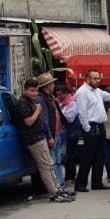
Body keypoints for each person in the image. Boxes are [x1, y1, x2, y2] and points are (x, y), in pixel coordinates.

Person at [16, 79, 72, 203]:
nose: (34, 93)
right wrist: (37, 111)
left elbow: (42, 121)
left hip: (40, 137)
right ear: (25, 90)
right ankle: (53, 193)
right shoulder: (22, 103)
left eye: (36, 90)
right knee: (46, 166)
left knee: (49, 165)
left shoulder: (33, 101)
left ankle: (57, 190)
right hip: (33, 139)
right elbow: (29, 122)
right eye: (31, 90)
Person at [74, 70, 110, 193]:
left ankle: (97, 182)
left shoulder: (97, 91)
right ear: (88, 79)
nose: (98, 81)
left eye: (98, 78)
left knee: (100, 156)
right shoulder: (82, 92)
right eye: (95, 78)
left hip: (100, 125)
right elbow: (81, 112)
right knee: (88, 157)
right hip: (91, 126)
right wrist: (87, 129)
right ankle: (80, 184)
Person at [36, 73, 75, 201]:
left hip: (57, 134)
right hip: (51, 135)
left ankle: (61, 187)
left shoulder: (50, 97)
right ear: (47, 85)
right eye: (52, 83)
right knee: (53, 163)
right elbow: (44, 120)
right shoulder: (41, 98)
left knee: (58, 162)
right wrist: (49, 136)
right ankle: (58, 189)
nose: (54, 85)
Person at [57, 85, 81, 189]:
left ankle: (71, 177)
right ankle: (67, 176)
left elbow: (69, 118)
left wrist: (59, 113)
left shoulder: (72, 103)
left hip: (72, 133)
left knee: (70, 155)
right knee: (65, 155)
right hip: (64, 133)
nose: (59, 96)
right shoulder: (60, 102)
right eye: (57, 94)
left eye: (60, 94)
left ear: (66, 93)